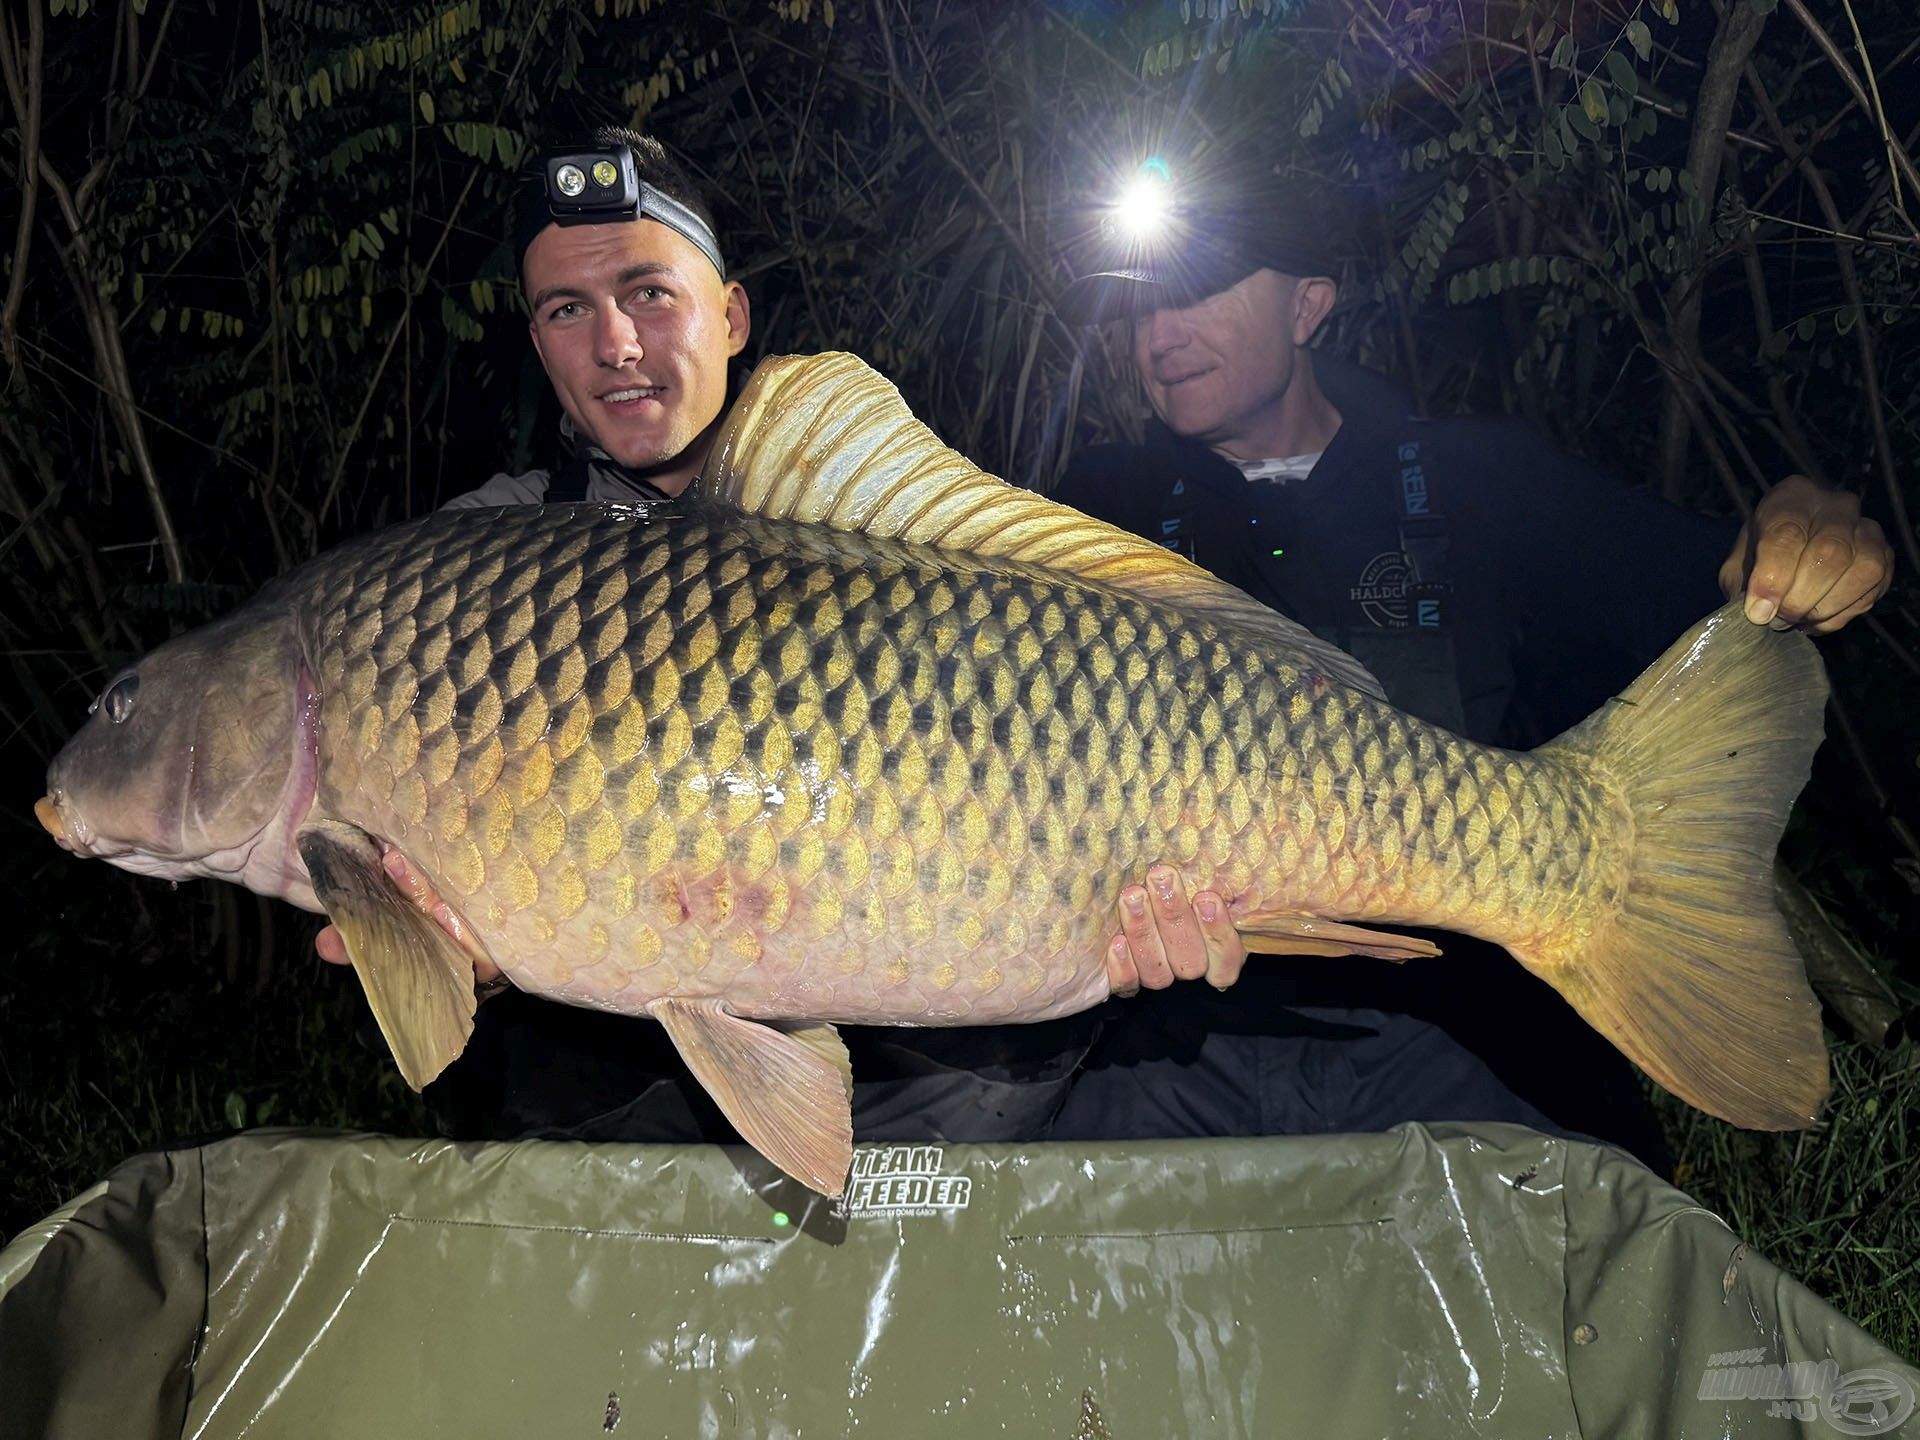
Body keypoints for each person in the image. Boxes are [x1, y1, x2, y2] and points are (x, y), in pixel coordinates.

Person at [316, 127, 1226, 1147]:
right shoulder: (468, 574)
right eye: (568, 311)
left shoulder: (865, 523)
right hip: (617, 1106)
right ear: (537, 345)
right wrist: (456, 938)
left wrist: (1154, 913)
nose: (615, 345)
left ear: (733, 313)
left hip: (937, 1085)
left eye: (650, 293)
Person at [1043, 150, 1892, 1162]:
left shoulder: (1479, 478)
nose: (1161, 335)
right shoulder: (1089, 508)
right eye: (1140, 309)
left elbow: (1712, 584)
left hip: (1454, 1021)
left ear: (1309, 305)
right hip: (1184, 1040)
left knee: (1577, 1266)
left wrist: (1809, 525)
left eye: (1200, 292)